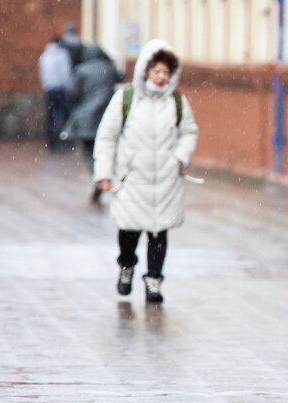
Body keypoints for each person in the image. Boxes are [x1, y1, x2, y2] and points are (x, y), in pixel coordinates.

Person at [93, 39, 199, 303]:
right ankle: (127, 266)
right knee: (129, 230)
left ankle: (154, 280)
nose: (161, 77)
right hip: (132, 179)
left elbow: (189, 132)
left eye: (166, 72)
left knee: (159, 232)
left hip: (166, 181)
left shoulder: (177, 102)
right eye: (156, 71)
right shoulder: (125, 99)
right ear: (145, 71)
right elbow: (107, 136)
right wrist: (104, 174)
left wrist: (179, 159)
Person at [61, 43, 121, 204]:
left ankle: (99, 176)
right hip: (106, 114)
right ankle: (104, 176)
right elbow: (120, 77)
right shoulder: (108, 68)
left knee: (89, 151)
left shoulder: (82, 70)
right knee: (106, 148)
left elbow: (71, 92)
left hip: (87, 117)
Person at [38, 36, 74, 151]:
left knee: (50, 115)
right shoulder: (62, 55)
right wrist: (69, 87)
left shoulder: (45, 55)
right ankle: (64, 139)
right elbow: (65, 73)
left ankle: (51, 140)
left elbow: (42, 73)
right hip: (60, 89)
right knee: (64, 114)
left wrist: (46, 85)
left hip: (49, 89)